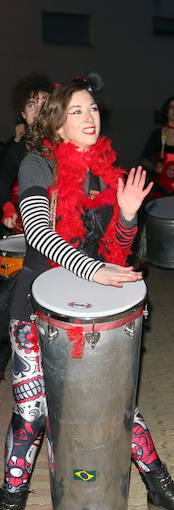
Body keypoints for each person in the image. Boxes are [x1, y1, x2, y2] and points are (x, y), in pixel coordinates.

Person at [0, 76, 174, 510]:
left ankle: (159, 485)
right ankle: (10, 501)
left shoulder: (108, 173)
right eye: (77, 111)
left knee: (117, 406)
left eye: (93, 109)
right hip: (35, 307)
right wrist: (93, 271)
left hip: (90, 310)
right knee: (32, 414)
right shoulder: (38, 164)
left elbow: (115, 253)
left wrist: (128, 215)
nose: (90, 117)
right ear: (55, 123)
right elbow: (37, 233)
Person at [0, 75, 52, 383]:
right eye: (32, 104)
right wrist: (7, 207)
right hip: (19, 233)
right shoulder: (15, 149)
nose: (38, 109)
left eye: (44, 102)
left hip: (53, 240)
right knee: (10, 302)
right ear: (23, 112)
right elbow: (3, 184)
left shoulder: (60, 145)